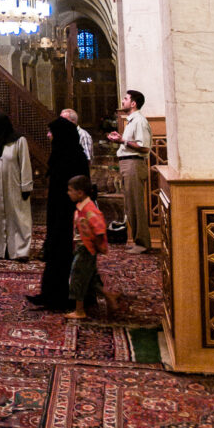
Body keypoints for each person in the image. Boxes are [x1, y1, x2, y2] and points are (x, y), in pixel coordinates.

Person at [27, 116, 89, 310]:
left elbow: (81, 189)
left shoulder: (75, 156)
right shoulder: (60, 152)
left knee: (66, 255)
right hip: (58, 212)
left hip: (69, 215)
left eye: (51, 132)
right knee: (56, 253)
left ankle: (64, 298)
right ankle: (51, 294)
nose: (48, 135)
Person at [65, 175, 120, 320]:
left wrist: (96, 246)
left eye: (70, 190)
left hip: (86, 249)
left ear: (80, 193)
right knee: (90, 279)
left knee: (78, 277)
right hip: (82, 247)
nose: (68, 193)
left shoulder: (90, 210)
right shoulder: (82, 208)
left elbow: (99, 229)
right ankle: (109, 297)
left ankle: (79, 310)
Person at [107, 89, 152, 253]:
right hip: (128, 163)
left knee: (136, 205)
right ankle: (138, 241)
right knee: (130, 205)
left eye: (126, 99)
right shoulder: (131, 121)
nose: (123, 101)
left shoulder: (139, 121)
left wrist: (122, 140)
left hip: (134, 164)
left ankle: (142, 243)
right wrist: (120, 140)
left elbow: (143, 146)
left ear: (133, 103)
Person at [0, 113, 33, 261]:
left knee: (18, 218)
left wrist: (26, 186)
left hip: (14, 186)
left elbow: (25, 164)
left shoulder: (19, 140)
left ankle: (20, 251)